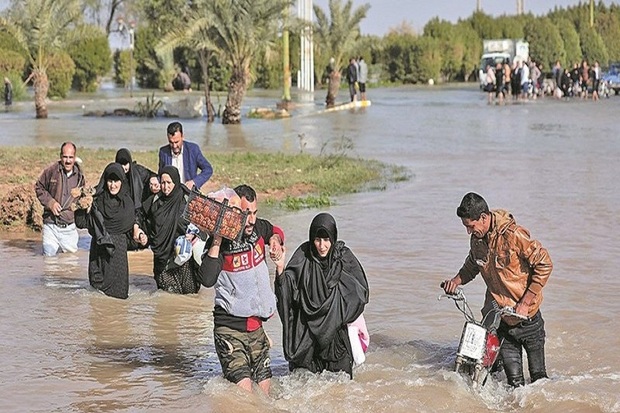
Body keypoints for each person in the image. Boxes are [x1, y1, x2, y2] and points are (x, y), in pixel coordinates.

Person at [441, 192, 553, 387]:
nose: (469, 231)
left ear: (483, 217)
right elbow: (472, 265)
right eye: (466, 227)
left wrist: (525, 303)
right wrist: (456, 281)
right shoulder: (477, 239)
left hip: (528, 320)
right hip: (503, 321)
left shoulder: (514, 235)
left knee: (539, 380)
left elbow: (545, 264)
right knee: (515, 385)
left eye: (471, 226)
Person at [196, 184, 284, 394]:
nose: (251, 220)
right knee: (245, 398)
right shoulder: (222, 243)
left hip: (257, 331)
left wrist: (275, 240)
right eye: (246, 214)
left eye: (254, 213)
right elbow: (207, 279)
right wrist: (216, 238)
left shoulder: (257, 230)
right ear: (235, 214)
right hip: (229, 330)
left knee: (263, 398)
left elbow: (275, 230)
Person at [274, 212, 369, 379]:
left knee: (341, 392)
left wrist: (338, 310)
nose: (322, 246)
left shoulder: (343, 258)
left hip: (337, 343)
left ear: (333, 238)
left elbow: (360, 292)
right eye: (317, 240)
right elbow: (288, 291)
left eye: (326, 240)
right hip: (309, 343)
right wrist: (280, 268)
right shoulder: (303, 256)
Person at [75, 163, 136, 299]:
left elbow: (132, 236)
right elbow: (81, 223)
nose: (113, 185)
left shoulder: (128, 204)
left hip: (118, 255)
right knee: (96, 298)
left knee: (118, 298)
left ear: (122, 181)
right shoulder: (97, 201)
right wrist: (81, 204)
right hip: (98, 254)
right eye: (110, 180)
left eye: (116, 181)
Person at [139, 166, 201, 294]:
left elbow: (203, 226)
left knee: (189, 297)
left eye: (169, 183)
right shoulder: (155, 202)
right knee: (167, 299)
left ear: (176, 181)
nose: (165, 187)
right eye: (162, 183)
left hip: (184, 259)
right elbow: (142, 219)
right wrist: (140, 233)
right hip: (163, 260)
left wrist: (194, 236)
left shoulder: (187, 201)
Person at [35, 142, 86, 256]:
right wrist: (50, 202)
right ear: (60, 156)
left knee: (70, 263)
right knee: (49, 262)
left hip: (70, 228)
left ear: (75, 157)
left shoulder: (80, 176)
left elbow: (83, 198)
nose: (68, 161)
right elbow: (39, 187)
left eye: (71, 157)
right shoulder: (51, 171)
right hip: (50, 225)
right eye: (65, 157)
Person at [158, 122, 213, 192]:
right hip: (170, 194)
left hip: (188, 192)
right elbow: (161, 174)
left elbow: (208, 169)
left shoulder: (193, 149)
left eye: (177, 142)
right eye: (171, 142)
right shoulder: (163, 152)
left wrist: (194, 182)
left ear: (182, 136)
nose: (174, 146)